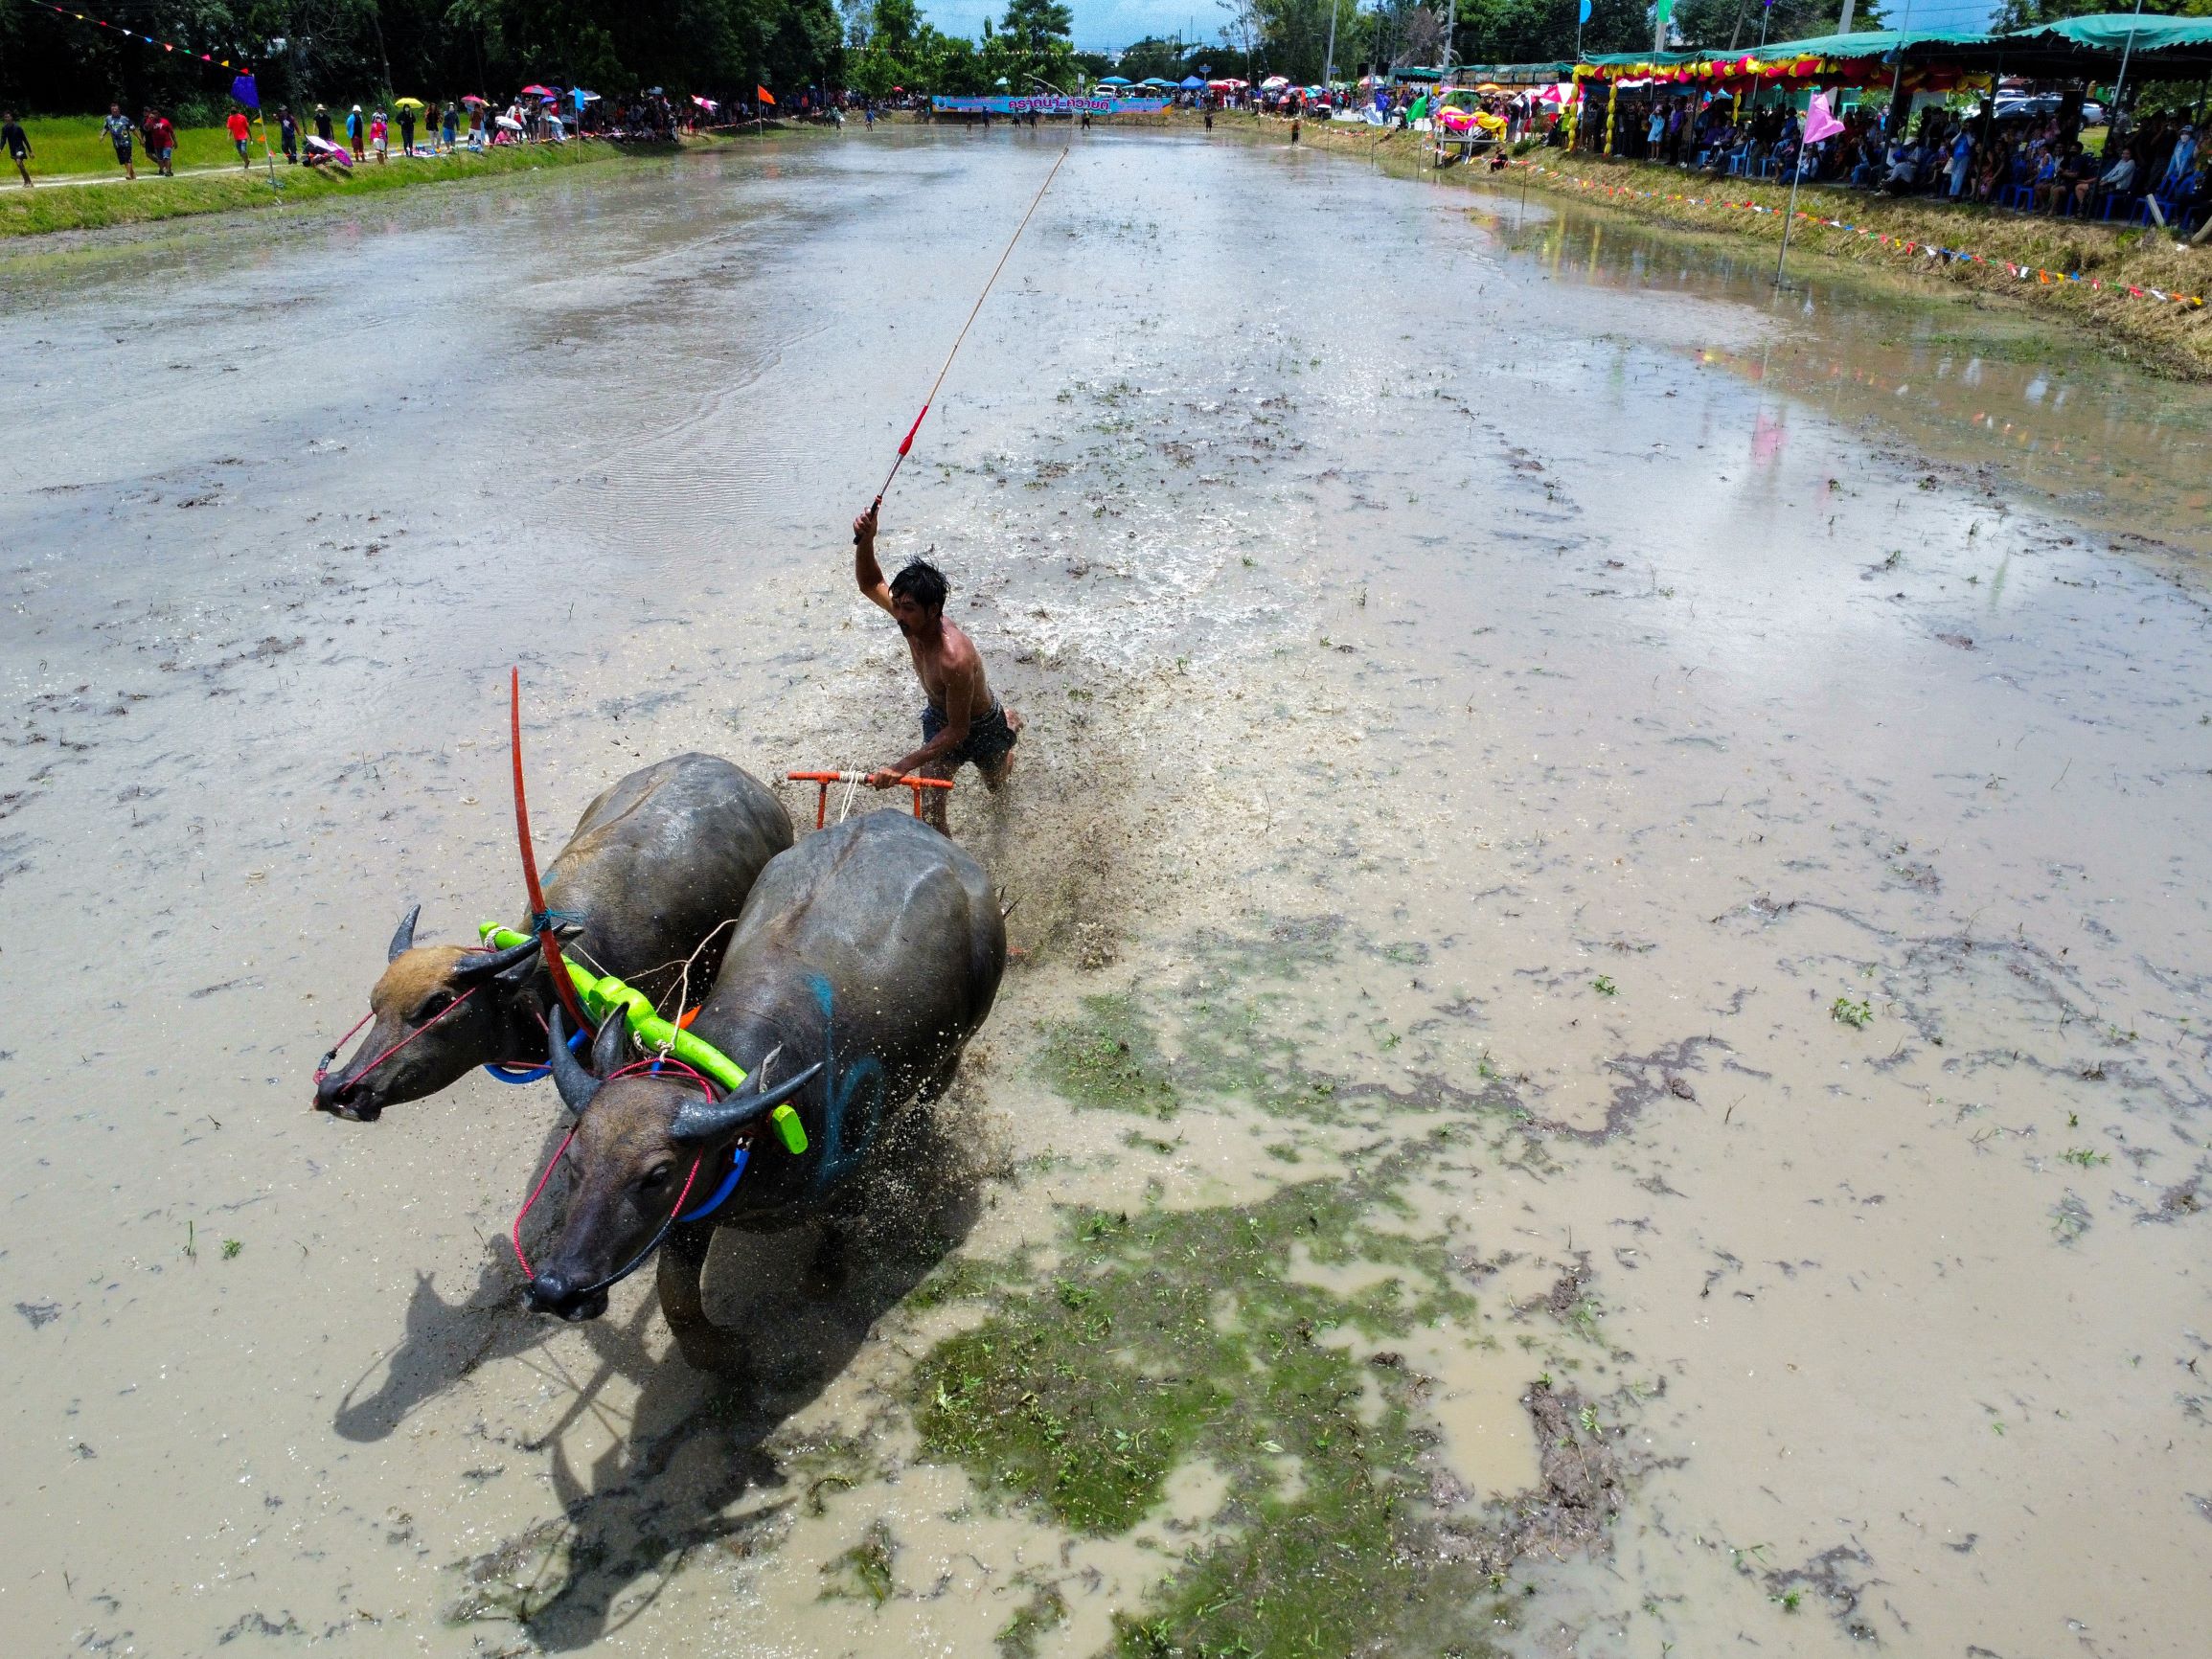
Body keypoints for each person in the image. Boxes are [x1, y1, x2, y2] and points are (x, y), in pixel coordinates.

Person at [850, 502, 1021, 834]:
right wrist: (868, 538)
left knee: (997, 787)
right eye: (896, 606)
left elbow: (960, 731)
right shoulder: (909, 621)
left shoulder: (954, 658)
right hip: (940, 715)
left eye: (908, 609)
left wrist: (901, 766)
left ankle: (1009, 728)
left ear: (934, 611)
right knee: (930, 806)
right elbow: (870, 582)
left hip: (980, 725)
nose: (898, 615)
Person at [103, 102, 136, 179]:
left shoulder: (125, 119)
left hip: (126, 141)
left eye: (116, 110)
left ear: (119, 110)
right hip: (117, 143)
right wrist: (102, 135)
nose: (114, 111)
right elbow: (106, 128)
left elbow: (133, 129)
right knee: (123, 159)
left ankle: (128, 174)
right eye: (113, 110)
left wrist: (140, 139)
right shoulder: (108, 119)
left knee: (127, 157)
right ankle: (132, 174)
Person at [144, 107, 176, 176]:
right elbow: (146, 129)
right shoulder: (151, 122)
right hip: (157, 144)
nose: (154, 115)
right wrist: (149, 119)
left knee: (166, 157)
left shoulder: (165, 121)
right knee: (160, 159)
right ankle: (162, 170)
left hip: (167, 143)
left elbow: (171, 132)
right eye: (153, 114)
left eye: (156, 114)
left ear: (159, 114)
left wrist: (175, 142)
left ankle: (167, 171)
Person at [2, 112, 31, 188]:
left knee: (19, 163)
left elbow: (25, 140)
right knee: (21, 166)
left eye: (8, 117)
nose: (6, 119)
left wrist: (30, 151)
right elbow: (3, 140)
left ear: (11, 117)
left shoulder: (18, 128)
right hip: (13, 150)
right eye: (5, 117)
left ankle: (29, 182)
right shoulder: (4, 128)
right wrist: (0, 148)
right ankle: (27, 182)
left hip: (20, 149)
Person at [227, 104, 252, 168]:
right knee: (240, 153)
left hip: (243, 137)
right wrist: (228, 136)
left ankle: (246, 162)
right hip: (236, 138)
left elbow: (247, 128)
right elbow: (230, 128)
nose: (233, 111)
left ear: (237, 110)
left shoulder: (243, 117)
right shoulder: (230, 118)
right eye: (232, 110)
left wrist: (251, 137)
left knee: (243, 150)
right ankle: (247, 161)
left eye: (234, 110)